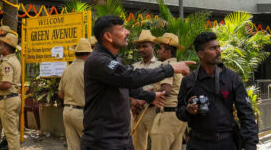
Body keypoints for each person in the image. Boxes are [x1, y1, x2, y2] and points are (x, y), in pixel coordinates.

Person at [81, 15, 195, 150]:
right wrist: (170, 69)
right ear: (108, 36)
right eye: (122, 29)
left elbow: (125, 86)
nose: (127, 32)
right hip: (104, 140)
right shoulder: (99, 60)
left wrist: (150, 96)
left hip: (121, 137)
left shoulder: (114, 59)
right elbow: (129, 77)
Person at [176, 32, 259, 150]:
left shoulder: (232, 78)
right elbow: (179, 112)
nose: (218, 51)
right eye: (213, 48)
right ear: (201, 54)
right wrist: (188, 110)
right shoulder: (189, 81)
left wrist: (250, 144)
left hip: (226, 143)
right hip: (197, 143)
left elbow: (246, 114)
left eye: (218, 47)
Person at [150, 33, 187, 150]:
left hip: (167, 116)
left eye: (160, 48)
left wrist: (149, 97)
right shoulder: (178, 65)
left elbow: (166, 89)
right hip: (178, 116)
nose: (158, 51)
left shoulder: (167, 66)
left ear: (168, 52)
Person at [0, 33, 22, 150]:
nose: (0, 47)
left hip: (7, 101)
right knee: (13, 132)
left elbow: (7, 84)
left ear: (6, 47)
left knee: (11, 134)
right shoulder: (15, 60)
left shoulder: (7, 62)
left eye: (1, 45)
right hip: (13, 98)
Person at [58, 38, 92, 150]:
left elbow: (60, 94)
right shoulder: (88, 69)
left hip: (67, 111)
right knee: (91, 144)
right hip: (82, 113)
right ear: (88, 54)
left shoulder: (67, 69)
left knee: (73, 146)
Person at [130, 30, 161, 150]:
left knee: (156, 144)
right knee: (137, 144)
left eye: (145, 46)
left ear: (153, 46)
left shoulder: (160, 65)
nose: (141, 49)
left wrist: (142, 100)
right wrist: (133, 102)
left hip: (153, 110)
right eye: (140, 47)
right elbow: (128, 86)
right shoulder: (134, 66)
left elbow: (159, 88)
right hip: (136, 111)